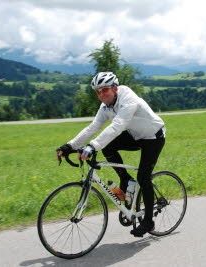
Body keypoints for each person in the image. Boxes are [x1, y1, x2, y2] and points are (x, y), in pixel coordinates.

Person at [56, 71, 166, 237]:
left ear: (115, 87)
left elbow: (117, 126)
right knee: (107, 147)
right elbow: (92, 128)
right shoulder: (105, 106)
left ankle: (148, 221)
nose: (101, 94)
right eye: (98, 91)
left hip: (153, 137)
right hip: (136, 136)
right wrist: (69, 146)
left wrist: (92, 146)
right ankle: (126, 178)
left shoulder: (128, 98)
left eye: (105, 89)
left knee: (144, 177)